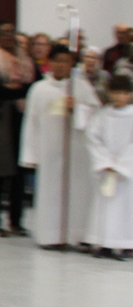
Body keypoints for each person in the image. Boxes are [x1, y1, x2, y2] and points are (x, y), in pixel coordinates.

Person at [18, 45, 100, 248]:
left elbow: (98, 116)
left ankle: (79, 235)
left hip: (77, 151)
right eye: (58, 61)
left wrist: (79, 109)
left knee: (79, 193)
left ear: (72, 64)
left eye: (66, 61)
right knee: (51, 193)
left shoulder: (81, 87)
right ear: (50, 63)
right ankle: (51, 236)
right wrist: (30, 154)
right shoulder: (39, 89)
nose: (62, 65)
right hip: (50, 150)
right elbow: (32, 123)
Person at [0, 23, 36, 236]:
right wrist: (13, 91)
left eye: (12, 33)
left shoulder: (25, 59)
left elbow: (33, 85)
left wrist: (12, 89)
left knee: (19, 173)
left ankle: (17, 221)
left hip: (21, 119)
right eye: (4, 33)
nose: (9, 37)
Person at [85, 74, 133, 259]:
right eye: (114, 92)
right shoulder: (102, 115)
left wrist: (120, 164)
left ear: (129, 94)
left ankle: (126, 243)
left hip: (126, 171)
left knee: (126, 208)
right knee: (104, 206)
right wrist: (105, 162)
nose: (118, 97)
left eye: (122, 93)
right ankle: (103, 242)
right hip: (106, 169)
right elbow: (92, 137)